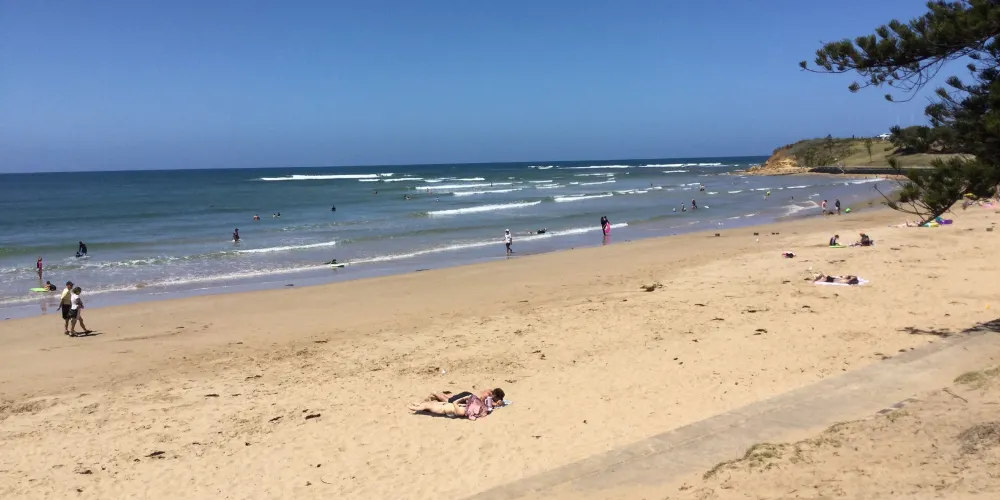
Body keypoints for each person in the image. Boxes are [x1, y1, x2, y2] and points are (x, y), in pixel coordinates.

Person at [408, 388, 505, 420]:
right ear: (495, 395)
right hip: (468, 397)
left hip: (468, 395)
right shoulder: (488, 395)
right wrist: (494, 404)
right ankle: (435, 393)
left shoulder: (489, 392)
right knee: (448, 401)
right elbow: (480, 401)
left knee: (450, 399)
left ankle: (438, 394)